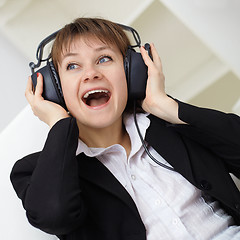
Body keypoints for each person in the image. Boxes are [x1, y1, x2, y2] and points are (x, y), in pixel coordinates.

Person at [10, 17, 240, 240]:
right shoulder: (32, 172)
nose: (91, 74)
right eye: (73, 65)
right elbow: (54, 216)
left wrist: (168, 108)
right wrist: (59, 124)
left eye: (104, 59)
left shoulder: (172, 127)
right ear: (55, 89)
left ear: (131, 71)